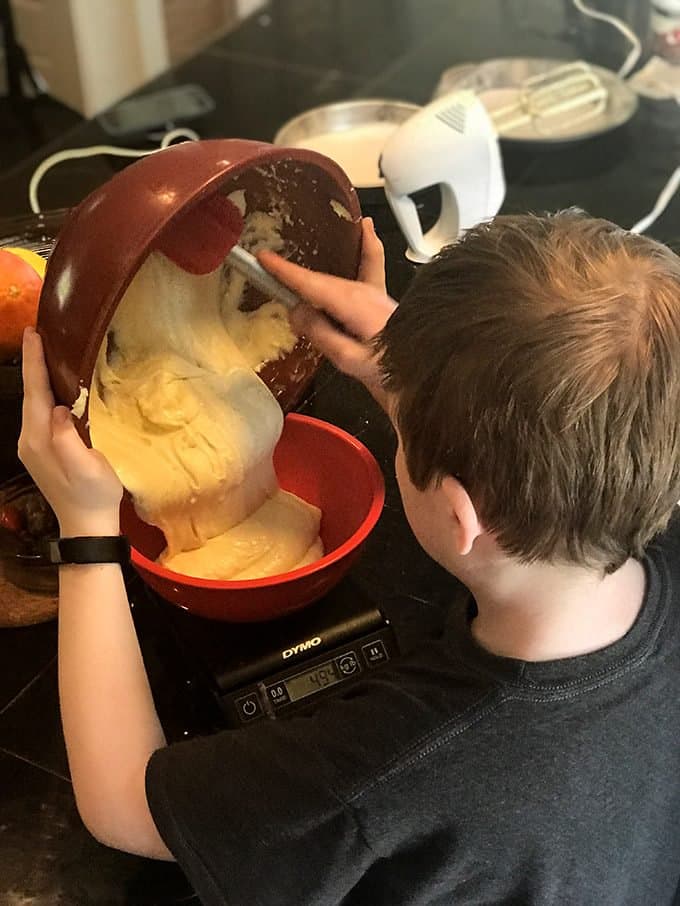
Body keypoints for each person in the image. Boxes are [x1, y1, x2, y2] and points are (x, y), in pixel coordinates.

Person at [18, 210, 680, 906]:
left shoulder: (389, 764)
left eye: (401, 442)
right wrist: (419, 374)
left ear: (460, 518)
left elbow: (120, 803)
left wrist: (86, 529)